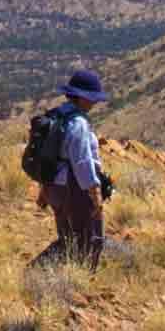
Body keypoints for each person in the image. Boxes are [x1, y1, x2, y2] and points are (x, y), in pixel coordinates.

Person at [31, 68, 112, 270]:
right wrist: (95, 196)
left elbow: (49, 157)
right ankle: (75, 278)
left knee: (67, 237)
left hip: (54, 188)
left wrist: (43, 190)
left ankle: (54, 274)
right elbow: (82, 162)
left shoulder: (57, 115)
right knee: (91, 239)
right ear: (82, 97)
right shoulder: (78, 124)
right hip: (74, 190)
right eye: (92, 98)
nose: (95, 103)